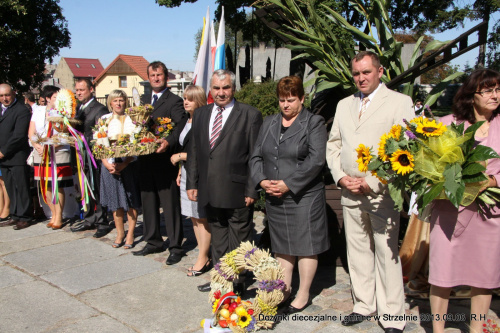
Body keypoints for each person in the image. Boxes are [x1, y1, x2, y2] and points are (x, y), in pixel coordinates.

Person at [326, 51, 414, 333]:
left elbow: (404, 149)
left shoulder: (400, 103)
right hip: (350, 192)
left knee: (387, 254)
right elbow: (334, 146)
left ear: (380, 71)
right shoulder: (344, 105)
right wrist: (341, 178)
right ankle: (364, 304)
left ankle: (392, 315)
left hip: (381, 193)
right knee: (358, 250)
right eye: (356, 73)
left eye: (366, 72)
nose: (361, 78)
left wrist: (373, 182)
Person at [250, 76, 329, 313]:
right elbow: (255, 156)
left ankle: (303, 293)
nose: (286, 105)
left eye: (291, 100)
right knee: (282, 245)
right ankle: (284, 289)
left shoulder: (313, 123)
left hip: (303, 196)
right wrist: (262, 181)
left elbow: (316, 160)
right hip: (274, 195)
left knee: (305, 245)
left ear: (302, 99)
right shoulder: (269, 123)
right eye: (282, 100)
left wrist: (288, 183)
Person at [429, 68, 500, 333]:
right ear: (472, 95)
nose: (495, 95)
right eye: (489, 90)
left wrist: (492, 181)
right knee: (442, 274)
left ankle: (478, 327)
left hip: (488, 215)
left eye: (498, 89)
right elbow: (428, 162)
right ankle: (438, 329)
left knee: (484, 275)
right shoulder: (448, 123)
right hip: (450, 212)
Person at [186, 69, 263, 293]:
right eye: (217, 88)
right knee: (218, 238)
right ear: (210, 90)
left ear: (234, 88)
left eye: (226, 87)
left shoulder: (250, 115)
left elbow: (255, 156)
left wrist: (252, 188)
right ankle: (221, 281)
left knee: (239, 239)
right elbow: (193, 151)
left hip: (238, 190)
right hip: (209, 189)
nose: (221, 92)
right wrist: (192, 182)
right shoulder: (201, 114)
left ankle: (237, 283)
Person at [132, 61, 188, 266]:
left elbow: (179, 126)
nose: (156, 78)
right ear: (148, 77)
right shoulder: (143, 100)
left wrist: (168, 142)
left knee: (170, 205)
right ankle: (153, 241)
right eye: (152, 75)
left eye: (159, 75)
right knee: (148, 203)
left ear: (166, 77)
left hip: (165, 160)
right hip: (145, 160)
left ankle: (175, 246)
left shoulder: (174, 100)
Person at [170, 85, 211, 276]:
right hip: (186, 172)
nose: (186, 101)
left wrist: (180, 156)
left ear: (199, 101)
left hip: (200, 175)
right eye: (185, 98)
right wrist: (180, 170)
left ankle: (203, 258)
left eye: (191, 99)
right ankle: (203, 254)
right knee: (193, 217)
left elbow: (202, 152)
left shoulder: (204, 122)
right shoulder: (186, 121)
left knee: (202, 218)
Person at [99, 90, 141, 249]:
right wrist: (106, 163)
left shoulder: (132, 119)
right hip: (109, 164)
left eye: (121, 100)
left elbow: (137, 145)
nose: (118, 103)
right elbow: (99, 142)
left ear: (126, 102)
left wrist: (125, 163)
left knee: (131, 201)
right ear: (110, 103)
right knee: (115, 202)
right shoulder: (104, 119)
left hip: (128, 164)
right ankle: (120, 233)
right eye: (115, 100)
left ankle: (130, 233)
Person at [28, 85, 73, 230]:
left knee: (57, 184)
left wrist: (55, 144)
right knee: (45, 185)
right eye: (55, 97)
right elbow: (31, 132)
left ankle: (59, 215)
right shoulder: (38, 111)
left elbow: (66, 133)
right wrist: (37, 146)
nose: (57, 100)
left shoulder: (63, 112)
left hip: (58, 150)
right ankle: (53, 214)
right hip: (41, 152)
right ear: (47, 98)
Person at [71, 78, 110, 238]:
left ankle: (102, 221)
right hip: (81, 156)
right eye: (77, 90)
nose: (79, 93)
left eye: (82, 90)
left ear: (91, 89)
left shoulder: (99, 109)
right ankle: (89, 218)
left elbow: (101, 134)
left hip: (94, 156)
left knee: (97, 189)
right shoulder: (78, 108)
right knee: (85, 187)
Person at [0, 84, 33, 230]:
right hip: (3, 158)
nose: (4, 98)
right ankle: (14, 215)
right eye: (1, 96)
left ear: (13, 94)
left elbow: (18, 136)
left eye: (7, 95)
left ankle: (25, 216)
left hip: (16, 156)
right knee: (10, 187)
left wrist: (3, 151)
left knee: (22, 187)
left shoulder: (21, 110)